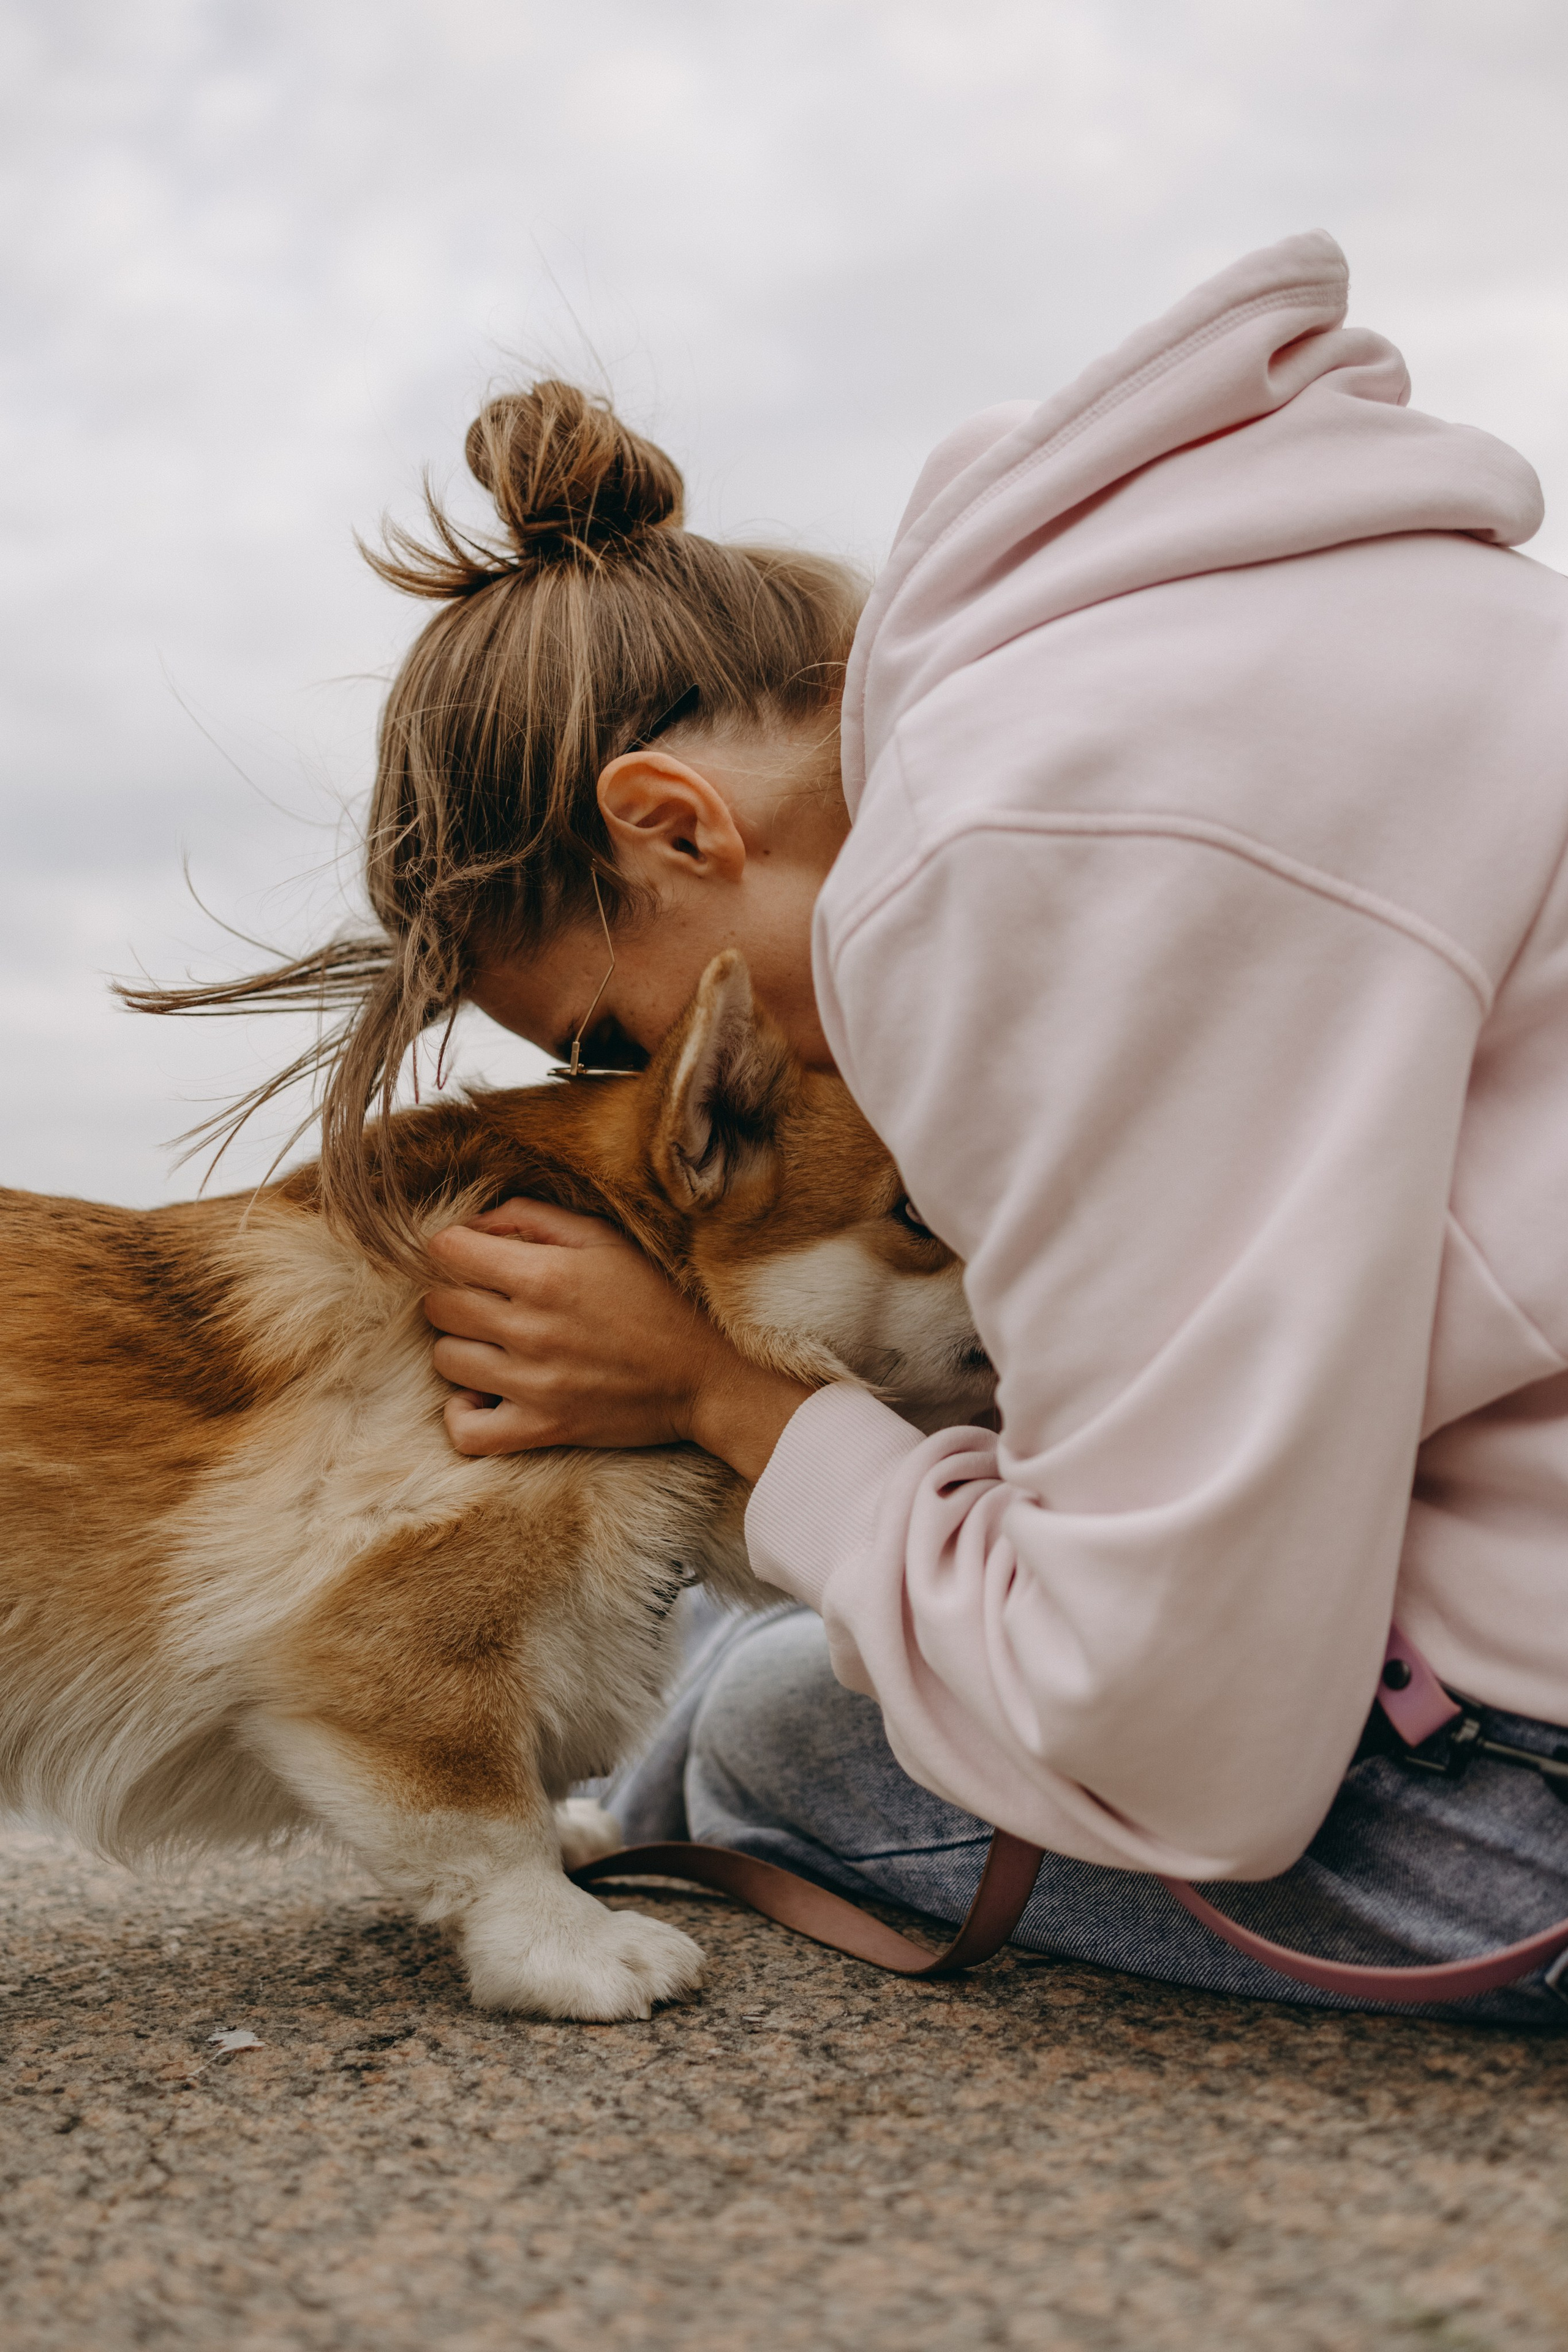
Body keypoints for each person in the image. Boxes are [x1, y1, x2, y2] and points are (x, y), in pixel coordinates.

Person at [157, 232, 1568, 2019]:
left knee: (764, 1716)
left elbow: (1180, 1744)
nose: (651, 1130)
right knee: (812, 1621)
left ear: (677, 827)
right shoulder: (1200, 635)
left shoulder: (1005, 866)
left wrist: (718, 1396)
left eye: (616, 1040)